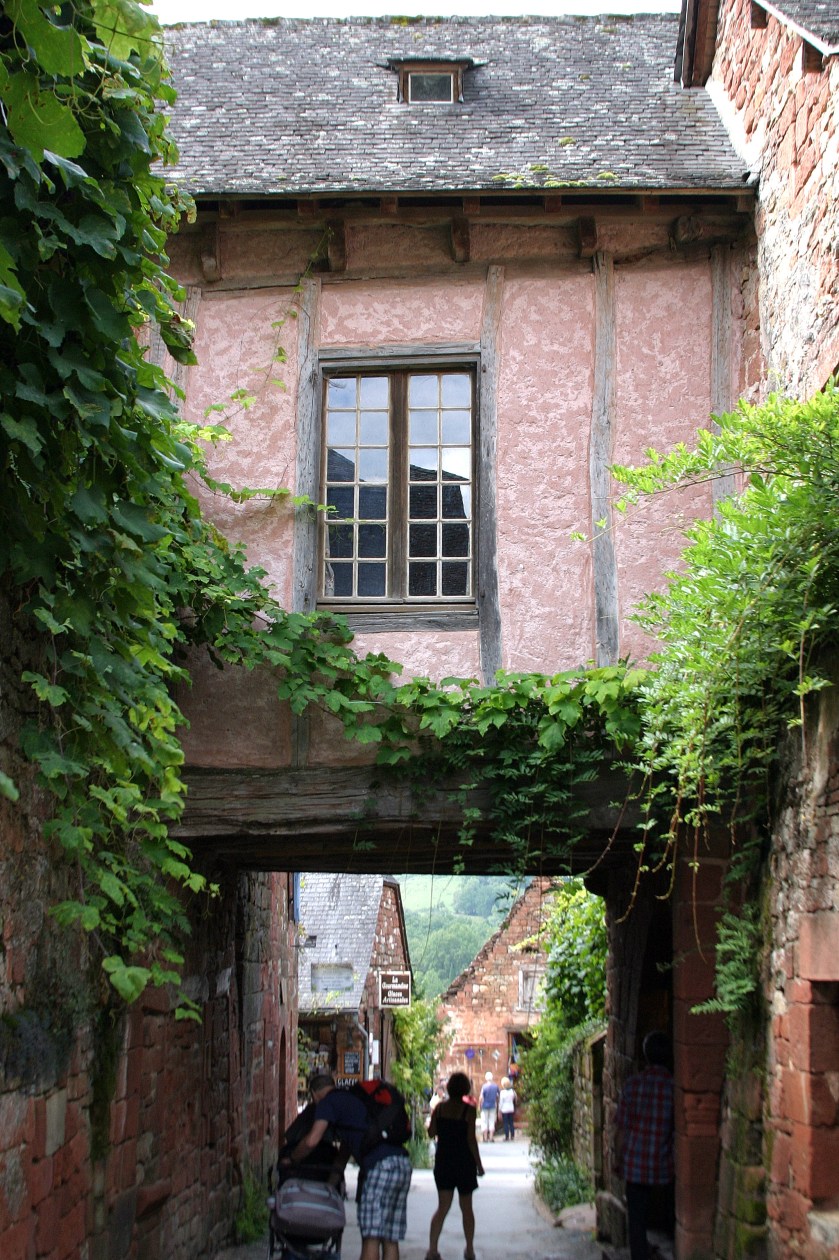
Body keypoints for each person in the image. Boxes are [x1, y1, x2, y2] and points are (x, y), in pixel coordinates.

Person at [287, 1072, 412, 1260]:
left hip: (379, 1167)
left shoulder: (328, 1103)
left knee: (371, 1236)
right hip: (402, 1164)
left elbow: (312, 1141)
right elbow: (344, 1154)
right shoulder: (354, 1100)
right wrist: (331, 1184)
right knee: (390, 1238)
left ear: (314, 1094)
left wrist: (292, 1159)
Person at [614, 1031, 675, 1260]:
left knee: (637, 1216)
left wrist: (617, 1158)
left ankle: (639, 1254)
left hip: (635, 1163)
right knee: (670, 1211)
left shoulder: (632, 1085)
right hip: (663, 1164)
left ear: (645, 1056)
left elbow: (621, 1128)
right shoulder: (674, 1087)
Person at [426, 1072, 484, 1260]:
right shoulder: (469, 1110)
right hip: (464, 1163)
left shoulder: (440, 1109)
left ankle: (433, 1250)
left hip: (444, 1162)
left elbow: (431, 1132)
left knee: (442, 1207)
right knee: (467, 1208)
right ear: (466, 1089)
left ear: (449, 1088)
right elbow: (471, 1140)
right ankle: (469, 1249)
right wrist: (479, 1165)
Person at [477, 1071, 499, 1143]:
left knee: (484, 1121)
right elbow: (498, 1096)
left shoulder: (484, 1086)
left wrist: (479, 1105)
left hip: (485, 1105)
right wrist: (496, 1102)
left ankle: (485, 1138)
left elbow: (481, 1097)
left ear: (486, 1078)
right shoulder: (496, 1086)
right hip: (493, 1105)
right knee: (491, 1121)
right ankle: (491, 1137)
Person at [498, 1077, 517, 1141]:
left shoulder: (502, 1092)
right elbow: (515, 1099)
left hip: (504, 1109)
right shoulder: (512, 1091)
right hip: (511, 1108)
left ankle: (507, 1136)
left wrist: (499, 1110)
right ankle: (512, 1135)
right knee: (511, 1122)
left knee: (505, 1123)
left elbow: (501, 1102)